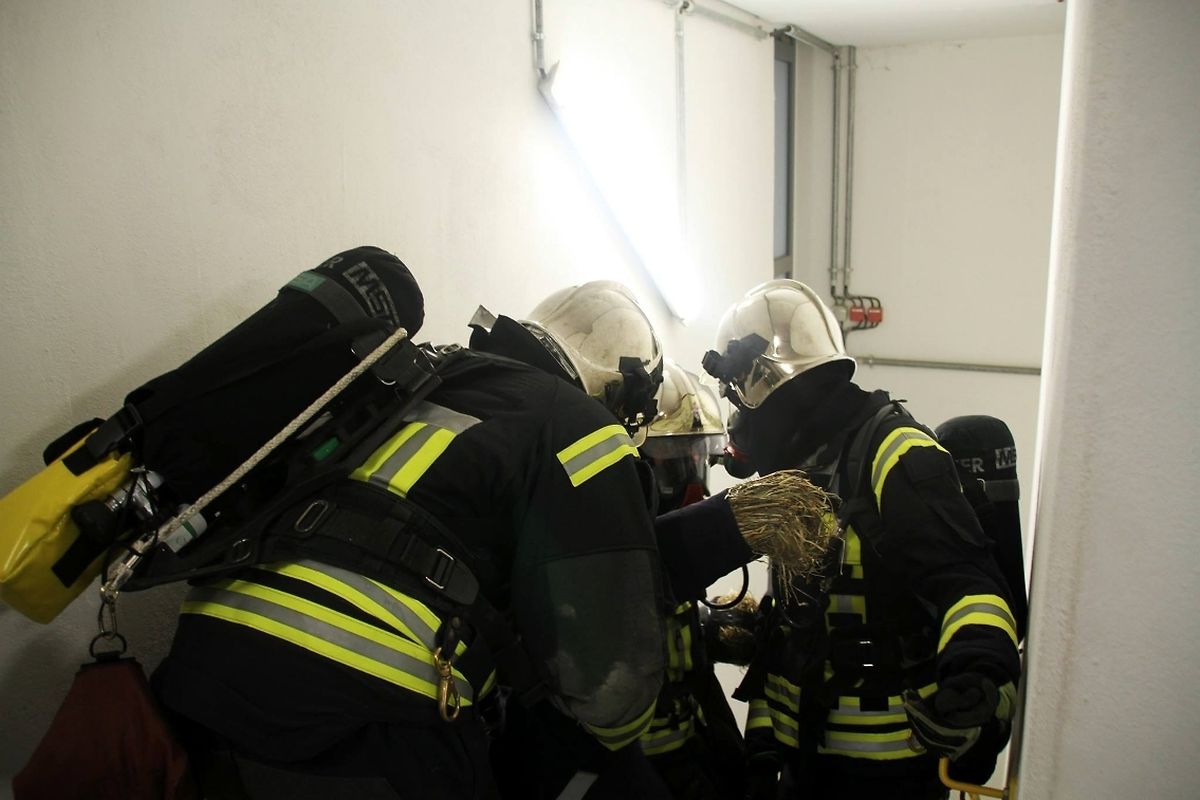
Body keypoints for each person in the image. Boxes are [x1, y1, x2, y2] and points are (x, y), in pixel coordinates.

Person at [152, 270, 669, 800]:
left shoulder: (428, 369)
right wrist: (617, 741)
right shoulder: (585, 427)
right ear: (622, 394)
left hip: (198, 668)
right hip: (362, 720)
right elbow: (611, 682)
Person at [702, 279, 1021, 800]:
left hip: (890, 771)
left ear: (760, 383)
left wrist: (976, 671)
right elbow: (792, 624)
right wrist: (763, 743)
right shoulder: (803, 468)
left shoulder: (896, 454)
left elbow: (967, 583)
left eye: (738, 396)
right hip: (801, 761)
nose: (741, 423)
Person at [636, 360, 745, 799]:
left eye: (698, 461)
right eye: (672, 467)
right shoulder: (603, 558)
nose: (693, 488)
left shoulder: (671, 559)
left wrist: (714, 631)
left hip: (685, 761)